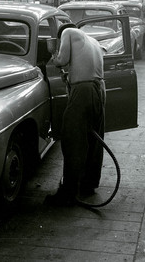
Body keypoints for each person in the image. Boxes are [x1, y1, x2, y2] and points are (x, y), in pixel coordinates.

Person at [44, 23, 106, 206]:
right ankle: (89, 184)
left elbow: (61, 60)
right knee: (94, 140)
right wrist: (70, 77)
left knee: (72, 139)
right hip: (100, 89)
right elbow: (83, 67)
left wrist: (54, 55)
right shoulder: (92, 41)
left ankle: (68, 192)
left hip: (84, 91)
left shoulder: (68, 32)